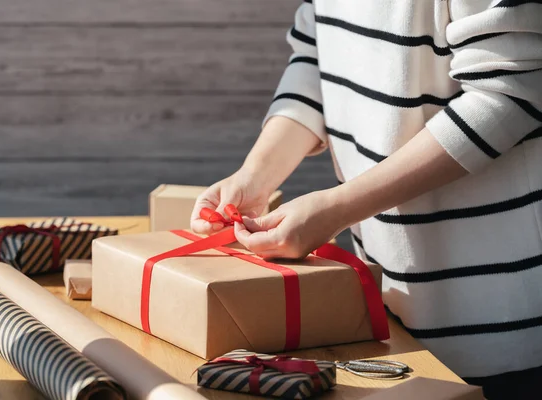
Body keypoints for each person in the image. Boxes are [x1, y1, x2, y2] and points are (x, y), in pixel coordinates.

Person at [191, 1, 542, 398]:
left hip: (500, 317)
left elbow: (510, 93)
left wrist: (339, 208)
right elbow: (316, 53)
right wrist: (255, 177)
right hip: (384, 303)